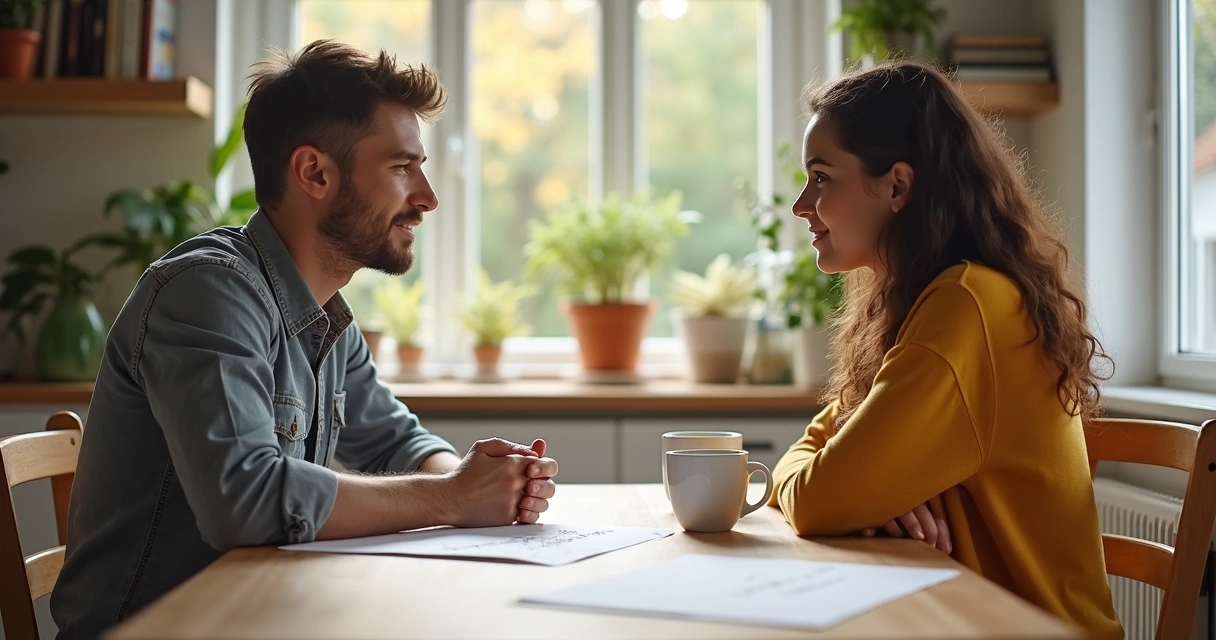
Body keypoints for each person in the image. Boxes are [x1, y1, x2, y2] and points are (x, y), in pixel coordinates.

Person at [50, 40, 559, 638]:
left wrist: (488, 484)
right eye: (401, 168)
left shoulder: (323, 316)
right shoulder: (207, 291)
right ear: (315, 171)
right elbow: (245, 497)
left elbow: (395, 441)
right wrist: (451, 497)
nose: (427, 198)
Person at [768, 60, 1122, 639]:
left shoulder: (966, 305)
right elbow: (814, 451)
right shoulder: (932, 299)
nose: (802, 204)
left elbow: (815, 497)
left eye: (823, 177)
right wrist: (863, 492)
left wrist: (849, 489)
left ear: (897, 186)